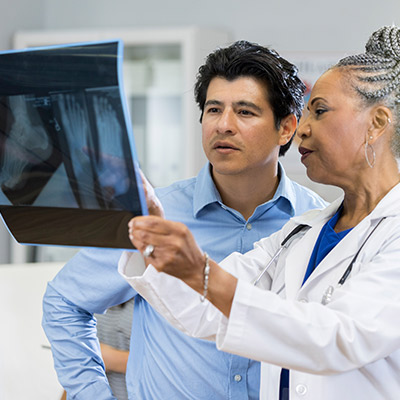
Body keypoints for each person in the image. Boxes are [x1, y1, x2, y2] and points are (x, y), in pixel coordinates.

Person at [121, 25, 400, 400]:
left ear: (377, 123)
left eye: (319, 111)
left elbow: (338, 338)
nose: (301, 130)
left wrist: (203, 274)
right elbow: (206, 311)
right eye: (213, 109)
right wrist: (150, 237)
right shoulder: (303, 232)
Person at [42, 40, 327, 400]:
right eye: (213, 109)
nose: (223, 125)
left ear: (286, 128)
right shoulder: (155, 213)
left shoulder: (314, 223)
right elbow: (64, 301)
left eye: (245, 112)